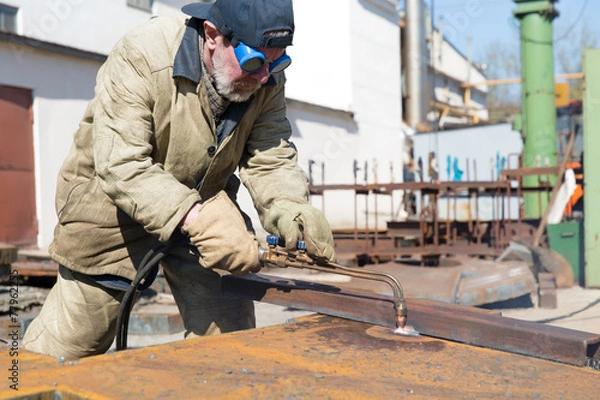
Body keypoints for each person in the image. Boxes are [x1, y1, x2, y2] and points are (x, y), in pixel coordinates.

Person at [23, 0, 335, 360]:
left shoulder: (265, 76)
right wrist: (198, 218)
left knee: (229, 350)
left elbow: (270, 152)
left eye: (278, 61)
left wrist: (289, 206)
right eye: (254, 62)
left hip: (205, 211)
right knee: (65, 352)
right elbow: (121, 163)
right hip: (113, 216)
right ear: (212, 35)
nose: (265, 76)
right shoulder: (143, 54)